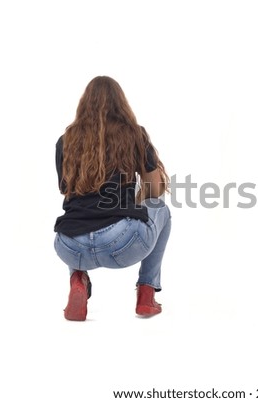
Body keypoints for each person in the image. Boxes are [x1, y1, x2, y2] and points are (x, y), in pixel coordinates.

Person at [54, 76, 171, 321]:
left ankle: (78, 280)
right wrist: (135, 203)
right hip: (122, 243)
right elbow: (155, 190)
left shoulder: (66, 141)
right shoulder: (134, 135)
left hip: (70, 247)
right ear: (122, 105)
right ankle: (146, 293)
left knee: (75, 217)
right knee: (161, 209)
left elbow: (66, 190)